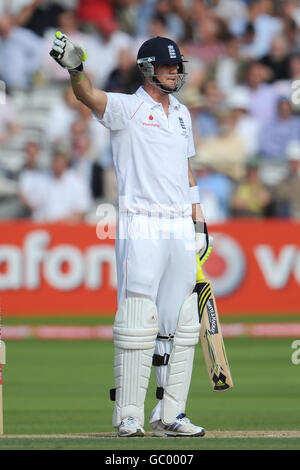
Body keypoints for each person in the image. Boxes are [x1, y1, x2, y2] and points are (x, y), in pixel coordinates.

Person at [50, 32, 210, 437]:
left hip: (178, 223)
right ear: (147, 70)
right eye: (167, 67)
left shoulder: (182, 114)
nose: (175, 73)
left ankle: (170, 414)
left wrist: (199, 219)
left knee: (181, 322)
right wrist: (75, 68)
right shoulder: (127, 108)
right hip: (142, 221)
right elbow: (88, 95)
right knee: (139, 320)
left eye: (178, 67)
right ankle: (129, 415)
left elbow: (185, 169)